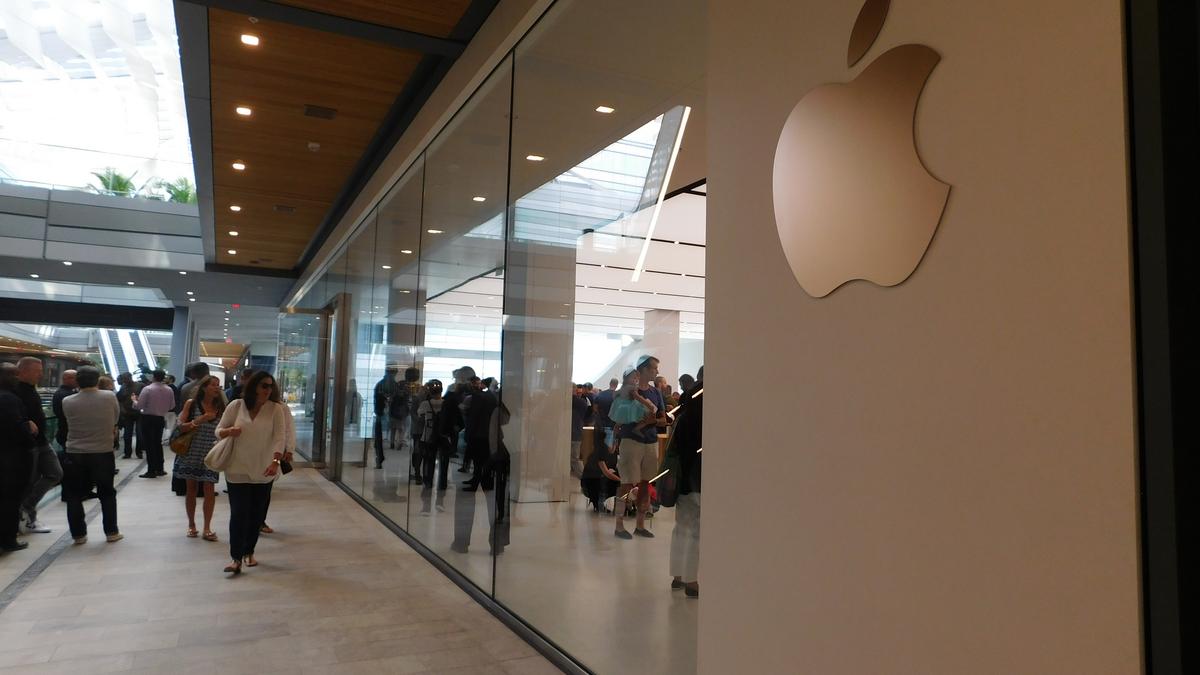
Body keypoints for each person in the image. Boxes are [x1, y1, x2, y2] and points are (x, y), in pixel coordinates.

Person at [215, 370, 288, 575]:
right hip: (237, 468)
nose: (268, 390)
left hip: (264, 469)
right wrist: (228, 432)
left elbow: (279, 437)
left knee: (255, 515)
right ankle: (235, 557)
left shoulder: (276, 409)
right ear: (254, 386)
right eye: (264, 385)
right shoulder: (236, 406)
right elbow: (218, 430)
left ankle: (249, 551)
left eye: (270, 386)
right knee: (238, 513)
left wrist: (276, 461)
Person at [60, 366, 122, 544]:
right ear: (97, 380)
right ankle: (111, 532)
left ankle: (78, 535)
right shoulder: (109, 397)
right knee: (107, 493)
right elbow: (115, 418)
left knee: (74, 495)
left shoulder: (68, 401)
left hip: (75, 451)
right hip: (102, 451)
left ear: (78, 381)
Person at [611, 355, 665, 540]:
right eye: (653, 368)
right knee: (626, 483)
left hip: (650, 442)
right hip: (631, 442)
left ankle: (640, 524)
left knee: (645, 483)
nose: (656, 372)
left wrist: (654, 420)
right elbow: (618, 417)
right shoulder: (627, 391)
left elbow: (663, 419)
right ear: (642, 370)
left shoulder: (656, 393)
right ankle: (619, 524)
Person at [14, 357, 61, 534]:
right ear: (24, 371)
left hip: (41, 441)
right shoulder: (15, 391)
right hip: (29, 444)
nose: (41, 375)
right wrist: (26, 423)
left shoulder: (30, 390)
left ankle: (26, 507)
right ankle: (29, 518)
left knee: (55, 473)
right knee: (30, 480)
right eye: (37, 371)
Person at [174, 375, 223, 541]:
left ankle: (207, 527)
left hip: (211, 454)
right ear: (203, 387)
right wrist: (200, 419)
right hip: (191, 452)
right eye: (213, 385)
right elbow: (180, 426)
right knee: (191, 489)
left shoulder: (220, 407)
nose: (216, 388)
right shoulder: (191, 404)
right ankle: (191, 524)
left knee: (210, 489)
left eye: (218, 385)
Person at [669, 365, 703, 598]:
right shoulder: (709, 405)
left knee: (681, 526)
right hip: (700, 475)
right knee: (697, 530)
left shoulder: (684, 407)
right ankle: (692, 579)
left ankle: (678, 576)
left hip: (682, 475)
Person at [0, 363, 37, 552]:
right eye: (13, 375)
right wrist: (30, 431)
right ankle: (8, 539)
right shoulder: (8, 399)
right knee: (10, 499)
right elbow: (17, 428)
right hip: (11, 458)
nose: (17, 378)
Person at [134, 369, 174, 478]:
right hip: (160, 418)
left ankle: (151, 470)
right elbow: (171, 406)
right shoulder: (169, 389)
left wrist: (134, 400)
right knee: (157, 443)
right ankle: (160, 468)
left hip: (147, 418)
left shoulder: (147, 389)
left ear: (153, 377)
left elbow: (139, 406)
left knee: (148, 444)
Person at [416, 379, 448, 513]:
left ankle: (428, 483)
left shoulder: (425, 403)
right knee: (444, 463)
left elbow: (420, 416)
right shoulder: (446, 403)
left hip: (428, 436)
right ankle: (442, 486)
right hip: (444, 437)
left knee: (428, 462)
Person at [462, 375, 497, 491]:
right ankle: (485, 482)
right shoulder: (492, 397)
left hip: (478, 433)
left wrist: (468, 433)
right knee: (485, 459)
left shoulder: (478, 397)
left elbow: (474, 417)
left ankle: (475, 483)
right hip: (488, 432)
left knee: (477, 460)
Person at [372, 366, 397, 467]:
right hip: (388, 414)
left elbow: (376, 400)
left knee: (379, 437)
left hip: (383, 413)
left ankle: (379, 457)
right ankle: (379, 457)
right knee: (381, 436)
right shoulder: (394, 385)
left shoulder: (380, 384)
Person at [51, 370, 78, 451]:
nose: (77, 381)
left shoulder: (63, 393)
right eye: (75, 378)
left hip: (64, 431)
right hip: (67, 432)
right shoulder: (66, 395)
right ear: (67, 379)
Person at [116, 372, 140, 458]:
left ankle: (139, 452)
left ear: (130, 377)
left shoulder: (140, 386)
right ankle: (127, 453)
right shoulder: (123, 387)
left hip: (139, 413)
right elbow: (119, 399)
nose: (125, 381)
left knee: (139, 433)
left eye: (126, 378)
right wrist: (122, 408)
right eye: (123, 379)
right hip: (127, 413)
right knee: (127, 434)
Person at [592, 377, 618, 452]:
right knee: (610, 449)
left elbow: (595, 409)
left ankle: (601, 462)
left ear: (609, 384)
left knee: (599, 448)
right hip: (612, 425)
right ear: (616, 385)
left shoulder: (600, 394)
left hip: (599, 425)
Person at [570, 384, 588, 477]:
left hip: (571, 433)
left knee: (574, 459)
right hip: (577, 432)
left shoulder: (568, 401)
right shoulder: (582, 402)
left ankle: (584, 478)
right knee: (575, 458)